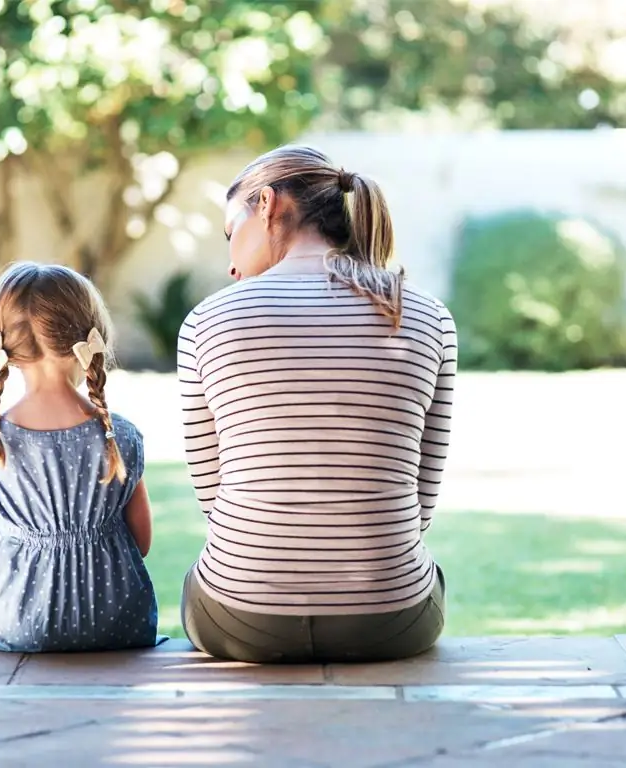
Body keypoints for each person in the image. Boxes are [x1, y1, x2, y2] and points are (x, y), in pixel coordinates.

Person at [177, 145, 457, 663]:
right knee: (426, 573)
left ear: (266, 204)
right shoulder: (426, 315)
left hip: (241, 619)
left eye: (228, 233)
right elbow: (420, 501)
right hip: (390, 619)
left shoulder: (206, 321)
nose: (231, 262)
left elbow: (213, 498)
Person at [0, 262, 161, 653]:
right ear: (90, 336)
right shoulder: (121, 436)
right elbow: (141, 542)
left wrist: (23, 537)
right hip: (114, 622)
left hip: (16, 623)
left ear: (5, 346)